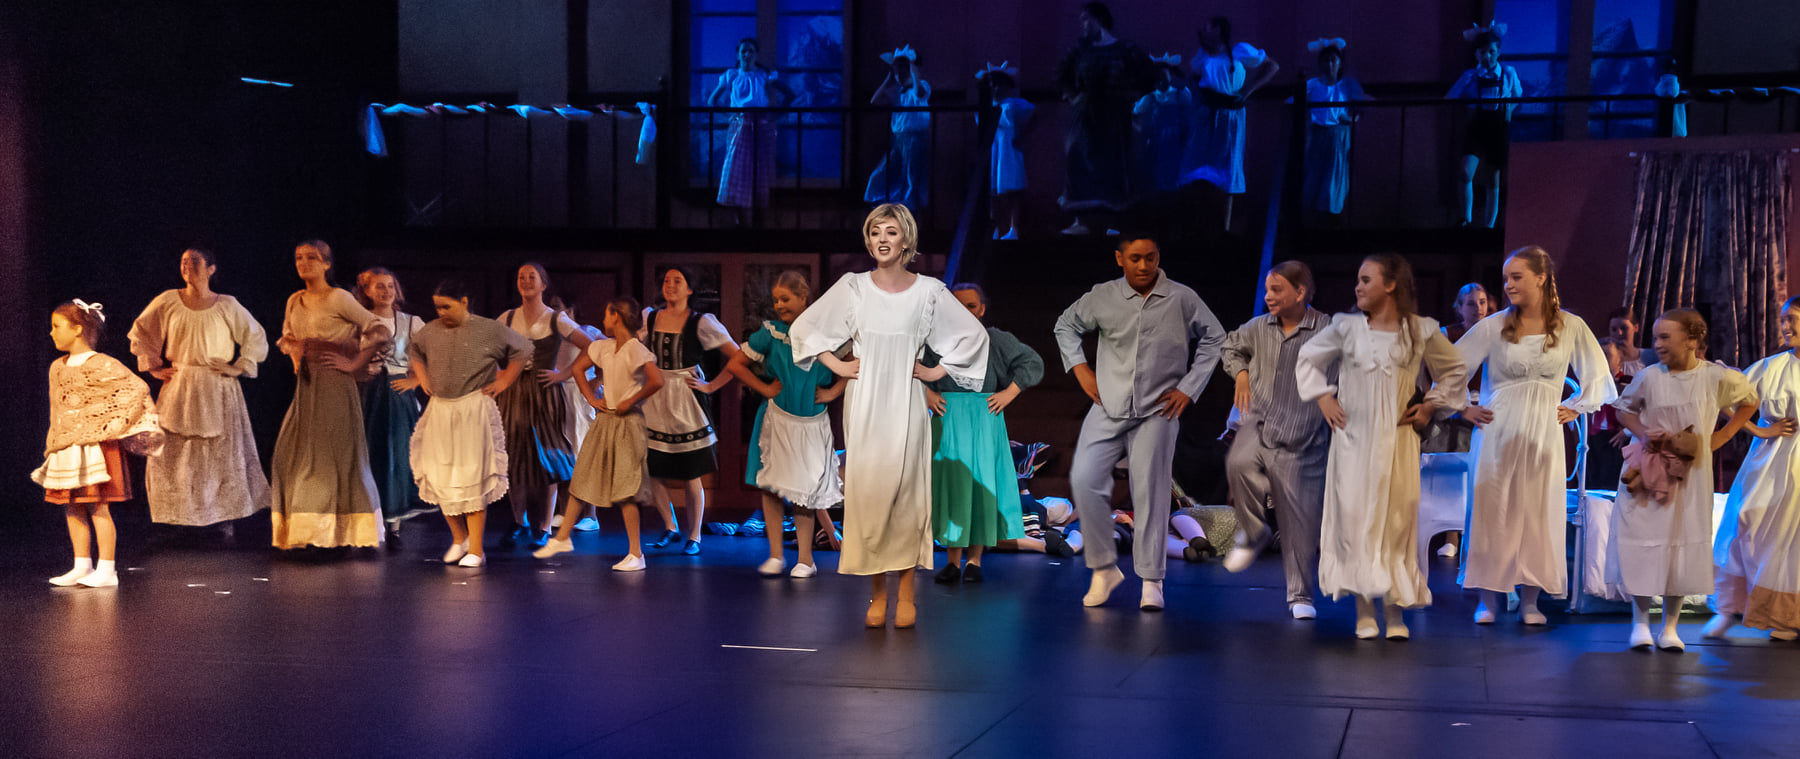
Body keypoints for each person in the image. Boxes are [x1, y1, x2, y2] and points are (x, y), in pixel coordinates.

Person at [788, 204, 989, 628]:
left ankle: (907, 594)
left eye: (891, 231)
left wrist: (935, 371)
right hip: (865, 403)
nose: (882, 238)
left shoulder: (929, 291)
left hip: (908, 401)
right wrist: (838, 365)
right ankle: (877, 594)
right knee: (871, 496)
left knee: (907, 495)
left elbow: (972, 336)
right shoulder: (854, 287)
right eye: (875, 231)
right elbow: (805, 329)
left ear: (906, 240)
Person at [1297, 253, 1468, 640]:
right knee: (1357, 523)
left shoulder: (1419, 330)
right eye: (1358, 279)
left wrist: (1430, 405)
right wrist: (1323, 396)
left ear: (1390, 285)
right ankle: (1363, 611)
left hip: (1397, 443)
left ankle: (1394, 611)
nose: (1357, 286)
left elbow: (1455, 369)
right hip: (1354, 443)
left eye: (1366, 279)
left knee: (1396, 522)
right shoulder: (1346, 328)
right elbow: (1308, 358)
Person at [1055, 235, 1225, 611]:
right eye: (1135, 258)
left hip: (1157, 410)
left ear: (1158, 257)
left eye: (1150, 257)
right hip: (1108, 403)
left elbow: (1215, 338)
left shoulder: (1181, 298)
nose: (1144, 265)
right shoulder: (1103, 296)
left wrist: (1189, 388)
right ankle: (1104, 568)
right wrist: (1080, 369)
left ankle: (1152, 581)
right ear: (1120, 259)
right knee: (1083, 477)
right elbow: (1065, 325)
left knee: (1150, 490)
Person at [1455, 247, 1617, 626]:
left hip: (1543, 432)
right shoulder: (1494, 326)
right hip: (1498, 430)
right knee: (1493, 509)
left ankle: (1531, 601)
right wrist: (1464, 407)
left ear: (1541, 278)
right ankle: (1488, 599)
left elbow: (1598, 375)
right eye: (1506, 278)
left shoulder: (1570, 326)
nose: (1508, 285)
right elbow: (1449, 367)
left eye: (1517, 277)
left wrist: (1576, 405)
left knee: (1537, 511)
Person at [1607, 309, 1758, 651]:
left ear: (1691, 340)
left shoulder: (1714, 377)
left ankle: (1670, 628)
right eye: (1655, 337)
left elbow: (1750, 401)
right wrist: (1643, 433)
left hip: (1690, 473)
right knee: (1644, 539)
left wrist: (1721, 437)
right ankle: (1640, 623)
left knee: (1680, 542)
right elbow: (1624, 410)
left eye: (1665, 337)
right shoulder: (1649, 376)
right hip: (1650, 470)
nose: (1658, 344)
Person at [127, 248, 269, 537]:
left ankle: (222, 517)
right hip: (181, 384)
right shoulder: (168, 300)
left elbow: (255, 336)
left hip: (217, 386)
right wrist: (153, 367)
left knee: (220, 453)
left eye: (194, 261)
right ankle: (181, 518)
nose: (187, 266)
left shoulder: (227, 304)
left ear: (211, 269)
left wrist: (239, 366)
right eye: (183, 262)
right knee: (176, 451)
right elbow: (142, 331)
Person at [1220, 261, 1333, 620]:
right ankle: (1254, 533)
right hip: (1261, 421)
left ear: (1300, 292)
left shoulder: (1328, 330)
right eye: (1267, 289)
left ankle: (1300, 595)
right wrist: (1240, 373)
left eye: (1277, 289)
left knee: (1297, 519)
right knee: (1238, 462)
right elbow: (1231, 348)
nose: (1268, 296)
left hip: (1304, 433)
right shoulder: (1258, 327)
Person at [725, 271, 848, 577]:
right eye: (776, 300)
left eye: (785, 299)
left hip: (810, 422)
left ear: (803, 298)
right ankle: (776, 555)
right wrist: (764, 388)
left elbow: (854, 362)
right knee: (771, 487)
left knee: (804, 492)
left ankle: (805, 559)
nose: (779, 305)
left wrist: (833, 391)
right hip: (777, 419)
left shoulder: (825, 333)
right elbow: (735, 364)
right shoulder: (772, 333)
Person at [270, 240, 391, 551]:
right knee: (291, 454)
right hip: (307, 386)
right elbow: (287, 337)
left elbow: (379, 331)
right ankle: (308, 531)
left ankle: (334, 533)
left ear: (326, 264)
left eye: (312, 257)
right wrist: (296, 353)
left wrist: (353, 363)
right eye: (299, 257)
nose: (304, 262)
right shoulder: (295, 300)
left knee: (330, 456)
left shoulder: (339, 298)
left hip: (335, 383)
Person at [923, 283, 1045, 584]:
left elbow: (1032, 362)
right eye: (958, 305)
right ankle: (953, 561)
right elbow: (911, 370)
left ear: (981, 309)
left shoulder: (993, 339)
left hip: (983, 417)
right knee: (953, 486)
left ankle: (974, 561)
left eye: (971, 305)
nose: (965, 311)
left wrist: (1009, 393)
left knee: (981, 486)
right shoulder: (937, 341)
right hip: (949, 417)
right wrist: (926, 393)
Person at [37, 301, 163, 587]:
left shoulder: (102, 363)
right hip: (68, 446)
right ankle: (81, 565)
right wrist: (55, 443)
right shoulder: (56, 367)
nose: (52, 332)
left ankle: (107, 569)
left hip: (96, 447)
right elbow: (58, 410)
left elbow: (136, 389)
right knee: (72, 506)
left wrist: (113, 424)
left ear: (77, 329)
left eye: (57, 326)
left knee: (98, 506)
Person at [407, 279, 531, 568]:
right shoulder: (431, 330)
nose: (441, 312)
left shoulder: (487, 329)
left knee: (471, 478)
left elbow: (523, 349)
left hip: (472, 409)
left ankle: (476, 549)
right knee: (441, 475)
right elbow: (415, 351)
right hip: (441, 410)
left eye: (446, 306)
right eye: (437, 307)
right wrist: (423, 378)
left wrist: (504, 380)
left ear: (464, 302)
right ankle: (459, 539)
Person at [537, 298, 665, 571]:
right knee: (583, 474)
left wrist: (631, 400)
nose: (603, 319)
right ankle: (562, 537)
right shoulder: (604, 347)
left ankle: (636, 554)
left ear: (616, 316)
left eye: (607, 314)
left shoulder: (635, 349)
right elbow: (578, 369)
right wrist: (591, 398)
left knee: (627, 488)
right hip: (605, 420)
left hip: (628, 423)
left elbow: (657, 380)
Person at [1705, 297, 1800, 641]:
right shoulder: (1771, 367)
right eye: (1783, 319)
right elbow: (1727, 397)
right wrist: (1759, 430)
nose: (1785, 326)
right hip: (1771, 460)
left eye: (1792, 319)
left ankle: (1786, 617)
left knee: (1792, 540)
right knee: (1746, 520)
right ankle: (1728, 608)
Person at [639, 266, 743, 555]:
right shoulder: (650, 317)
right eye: (667, 281)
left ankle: (694, 534)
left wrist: (711, 386)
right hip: (656, 398)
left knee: (690, 471)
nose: (670, 285)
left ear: (689, 289)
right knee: (652, 467)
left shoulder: (700, 321)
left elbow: (738, 357)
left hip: (685, 399)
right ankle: (670, 525)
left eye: (678, 281)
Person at [495, 263, 592, 550]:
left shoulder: (556, 319)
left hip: (545, 391)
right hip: (513, 392)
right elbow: (485, 347)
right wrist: (498, 374)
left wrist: (564, 374)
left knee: (547, 457)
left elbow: (590, 347)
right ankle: (519, 521)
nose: (526, 281)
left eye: (532, 277)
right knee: (514, 456)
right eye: (521, 277)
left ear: (543, 284)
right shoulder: (507, 317)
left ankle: (544, 525)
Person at [1055, 2, 1155, 235]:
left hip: (1113, 116)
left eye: (1086, 19)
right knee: (1077, 158)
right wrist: (1074, 97)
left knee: (1113, 163)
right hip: (1085, 115)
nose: (1082, 25)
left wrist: (1128, 98)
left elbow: (1148, 75)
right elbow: (1062, 75)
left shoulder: (1125, 50)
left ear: (1098, 19)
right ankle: (1081, 219)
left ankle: (1113, 221)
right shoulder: (1080, 51)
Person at [353, 267, 429, 544]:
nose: (386, 291)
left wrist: (415, 380)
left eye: (390, 286)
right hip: (368, 393)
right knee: (369, 454)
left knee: (396, 456)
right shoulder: (359, 321)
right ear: (367, 291)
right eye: (379, 286)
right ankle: (368, 523)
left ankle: (394, 524)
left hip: (397, 395)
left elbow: (432, 354)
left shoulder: (410, 322)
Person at [1184, 15, 1279, 229]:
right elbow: (1193, 78)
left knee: (1228, 165)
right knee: (1202, 164)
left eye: (1208, 27)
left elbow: (1272, 66)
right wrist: (1200, 96)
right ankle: (1201, 223)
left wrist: (1247, 91)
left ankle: (1225, 226)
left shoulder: (1239, 51)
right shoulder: (1203, 55)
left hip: (1230, 115)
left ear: (1218, 29)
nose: (1203, 30)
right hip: (1207, 114)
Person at [1423, 282, 1491, 558]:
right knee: (1450, 474)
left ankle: (1474, 536)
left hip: (1485, 408)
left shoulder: (1495, 333)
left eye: (1482, 302)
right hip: (1454, 408)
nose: (1478, 308)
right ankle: (1449, 535)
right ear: (1459, 307)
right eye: (1471, 303)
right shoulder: (1447, 335)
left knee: (1481, 474)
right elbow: (1436, 373)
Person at [707, 37, 793, 225]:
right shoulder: (731, 76)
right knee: (736, 167)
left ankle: (758, 216)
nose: (747, 54)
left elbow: (789, 94)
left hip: (760, 126)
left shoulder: (763, 75)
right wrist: (731, 114)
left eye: (751, 51)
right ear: (738, 54)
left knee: (758, 168)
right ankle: (738, 217)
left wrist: (775, 115)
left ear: (756, 55)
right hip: (740, 126)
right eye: (743, 51)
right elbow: (712, 101)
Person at [1446, 24, 1522, 228]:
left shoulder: (1507, 73)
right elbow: (1450, 97)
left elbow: (1518, 95)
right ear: (1476, 54)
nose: (1487, 56)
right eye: (1483, 52)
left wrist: (1508, 111)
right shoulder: (1471, 76)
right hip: (1477, 126)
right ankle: (1465, 218)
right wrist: (1464, 83)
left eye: (1491, 52)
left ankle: (1489, 225)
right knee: (1465, 171)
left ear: (1498, 52)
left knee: (1493, 177)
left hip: (1498, 126)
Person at [1300, 39, 1368, 217]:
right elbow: (1296, 102)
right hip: (1317, 135)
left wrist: (1351, 118)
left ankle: (1331, 213)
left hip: (1338, 136)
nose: (1329, 64)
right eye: (1326, 60)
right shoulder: (1312, 85)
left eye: (1333, 60)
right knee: (1314, 175)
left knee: (1333, 176)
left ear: (1339, 64)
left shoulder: (1347, 85)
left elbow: (1362, 105)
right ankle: (1312, 212)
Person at [866, 45, 931, 211]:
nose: (899, 75)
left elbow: (919, 93)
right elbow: (875, 101)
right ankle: (884, 204)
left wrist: (913, 70)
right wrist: (889, 78)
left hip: (915, 138)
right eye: (897, 72)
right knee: (884, 172)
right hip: (898, 139)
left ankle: (910, 211)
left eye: (902, 71)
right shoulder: (897, 92)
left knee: (911, 176)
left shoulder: (922, 86)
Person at [977, 62, 1033, 240]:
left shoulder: (1014, 105)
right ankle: (994, 228)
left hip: (1008, 148)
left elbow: (1032, 117)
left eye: (998, 84)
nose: (995, 88)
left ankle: (1013, 228)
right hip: (994, 147)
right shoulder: (987, 107)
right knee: (992, 190)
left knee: (1012, 189)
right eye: (992, 84)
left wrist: (1022, 135)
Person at [1133, 54, 1192, 196]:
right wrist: (1144, 132)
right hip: (1157, 140)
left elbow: (1187, 118)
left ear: (1170, 76)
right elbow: (1136, 115)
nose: (1161, 79)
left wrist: (1184, 136)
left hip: (1175, 140)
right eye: (1158, 76)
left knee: (1174, 171)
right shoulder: (1149, 98)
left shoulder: (1180, 94)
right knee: (1157, 171)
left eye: (1164, 76)